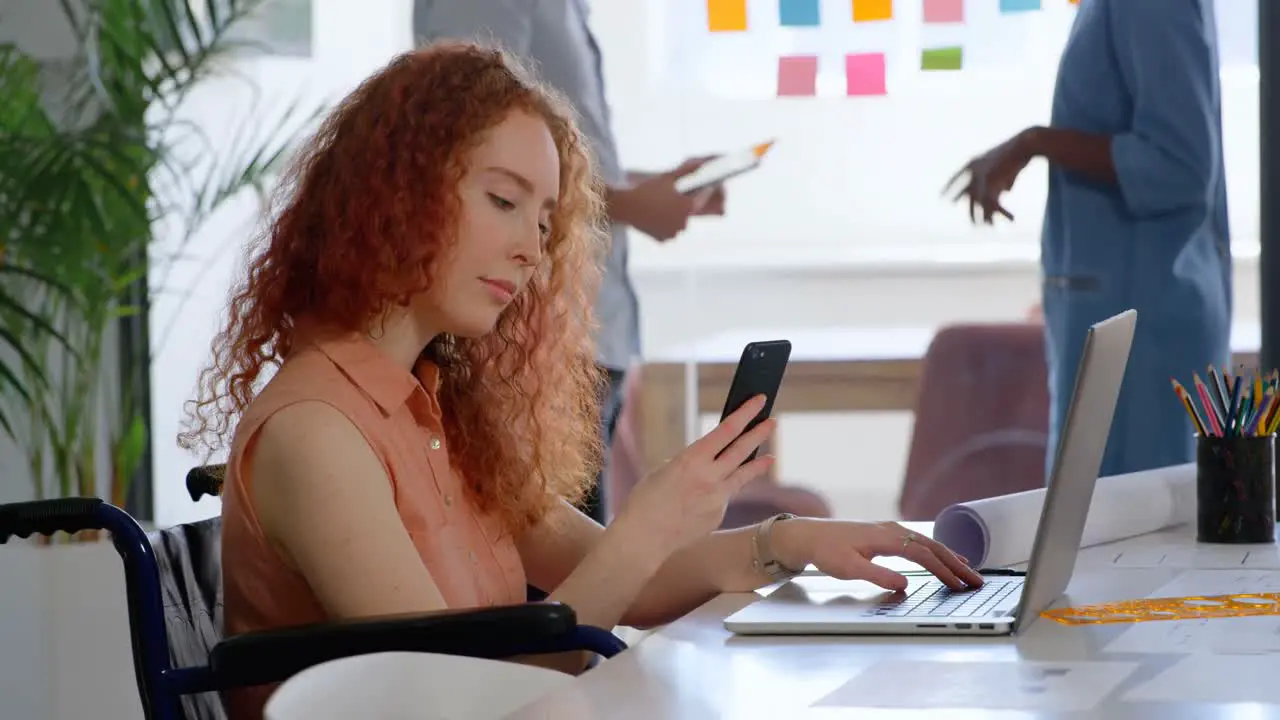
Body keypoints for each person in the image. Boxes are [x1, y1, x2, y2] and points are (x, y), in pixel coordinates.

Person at [181, 43, 981, 720]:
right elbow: (450, 700)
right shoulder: (315, 432)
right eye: (503, 200)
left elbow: (628, 582)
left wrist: (791, 542)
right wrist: (648, 524)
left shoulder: (438, 412)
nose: (532, 248)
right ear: (396, 198)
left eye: (543, 220)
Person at [412, 0, 726, 524]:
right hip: (528, 335)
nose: (531, 241)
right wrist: (632, 204)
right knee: (560, 583)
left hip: (585, 328)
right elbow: (463, 151)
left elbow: (554, 170)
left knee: (581, 558)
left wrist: (651, 189)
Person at [946, 0, 1230, 479]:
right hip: (1116, 316)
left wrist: (1033, 142)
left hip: (1144, 330)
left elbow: (1179, 168)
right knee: (1093, 527)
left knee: (1136, 536)